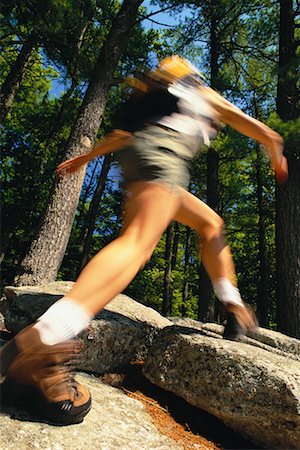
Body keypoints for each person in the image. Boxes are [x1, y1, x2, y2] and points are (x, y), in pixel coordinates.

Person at [0, 56, 288, 425]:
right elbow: (257, 127)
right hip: (164, 158)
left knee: (210, 224)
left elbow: (121, 138)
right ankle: (49, 336)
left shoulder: (158, 98)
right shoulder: (198, 90)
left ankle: (234, 306)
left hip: (143, 159)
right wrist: (274, 146)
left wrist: (85, 157)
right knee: (138, 243)